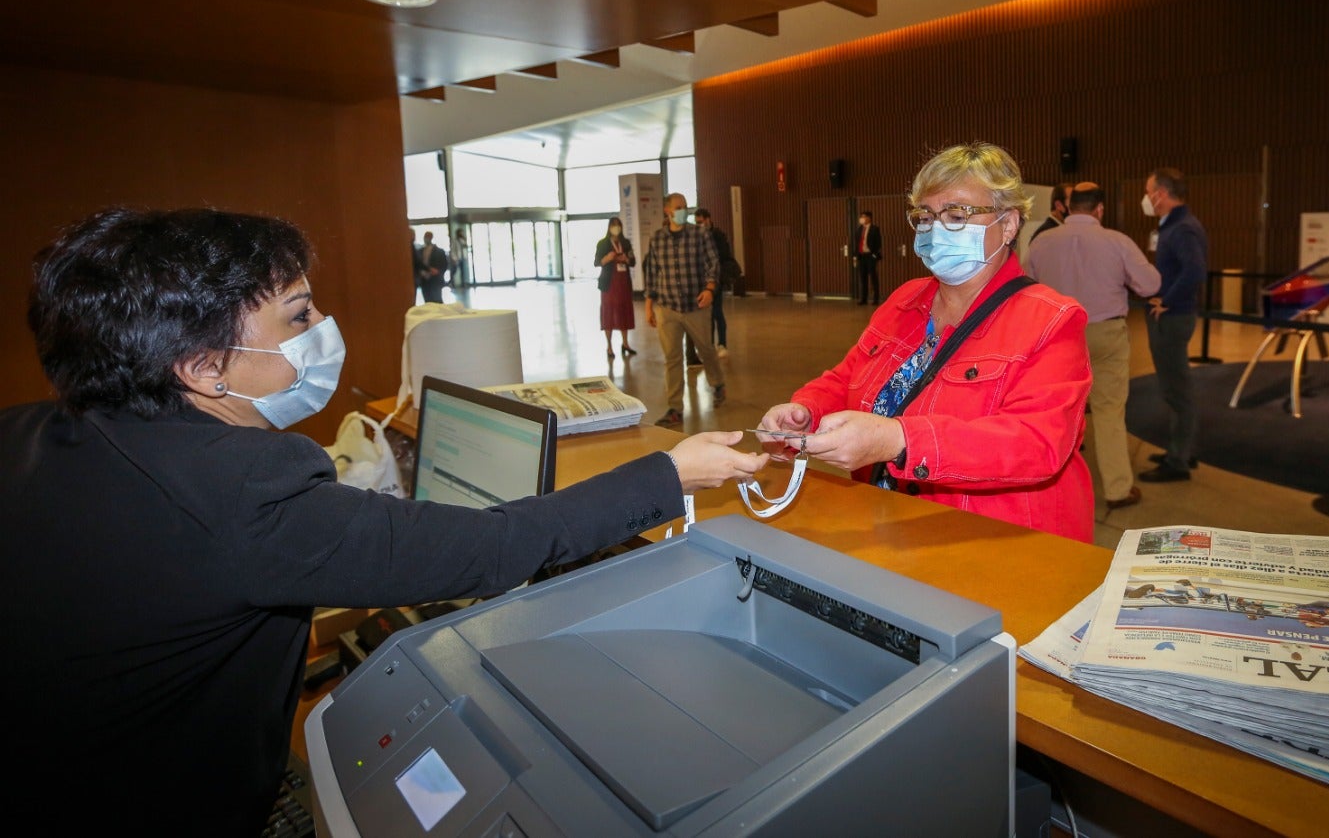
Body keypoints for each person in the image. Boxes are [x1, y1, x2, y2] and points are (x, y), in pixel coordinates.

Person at [0, 207, 768, 836]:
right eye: (299, 317)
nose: (324, 327)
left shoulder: (32, 432)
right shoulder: (239, 489)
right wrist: (671, 473)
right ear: (204, 367)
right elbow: (496, 548)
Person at [758, 142, 1095, 540]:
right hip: (890, 525)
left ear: (1008, 224)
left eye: (956, 215)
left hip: (993, 541)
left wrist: (898, 440)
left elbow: (1037, 442)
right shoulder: (905, 300)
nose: (936, 229)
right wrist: (805, 411)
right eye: (925, 216)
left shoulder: (1051, 319)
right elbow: (849, 374)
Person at [1024, 182, 1161, 509]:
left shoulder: (1042, 242)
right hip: (1105, 334)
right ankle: (1117, 489)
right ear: (1100, 209)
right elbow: (1151, 284)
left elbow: (1025, 287)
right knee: (1109, 410)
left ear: (1069, 208)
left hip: (1059, 335)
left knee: (1056, 410)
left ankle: (1047, 483)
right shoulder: (1117, 242)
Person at [1138, 167, 1209, 483]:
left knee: (1176, 389)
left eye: (1148, 190)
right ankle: (1180, 449)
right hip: (1173, 315)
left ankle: (1178, 461)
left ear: (1161, 194)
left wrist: (1167, 300)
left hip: (1172, 318)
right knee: (1175, 387)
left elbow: (1194, 271)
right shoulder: (1174, 225)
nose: (1146, 197)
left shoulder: (1182, 229)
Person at [642, 193, 727, 427]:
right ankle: (675, 408)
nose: (683, 211)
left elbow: (713, 263)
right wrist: (649, 305)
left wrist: (710, 289)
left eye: (685, 207)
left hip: (696, 306)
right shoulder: (657, 239)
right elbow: (651, 273)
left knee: (706, 349)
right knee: (672, 358)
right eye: (678, 207)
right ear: (667, 211)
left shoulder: (700, 234)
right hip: (667, 308)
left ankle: (718, 383)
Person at [694, 207, 738, 357]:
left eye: (701, 222)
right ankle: (710, 344)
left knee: (717, 312)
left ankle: (722, 344)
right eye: (697, 223)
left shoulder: (718, 235)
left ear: (708, 219)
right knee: (709, 315)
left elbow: (723, 256)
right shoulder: (698, 237)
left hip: (717, 279)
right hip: (704, 280)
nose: (699, 225)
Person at [595, 216, 637, 359]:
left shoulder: (625, 243)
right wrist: (608, 258)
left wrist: (626, 259)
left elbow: (633, 262)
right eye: (613, 225)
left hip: (623, 282)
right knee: (609, 313)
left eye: (618, 225)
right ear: (609, 227)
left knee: (624, 311)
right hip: (609, 283)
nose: (616, 228)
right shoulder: (603, 243)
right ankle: (609, 346)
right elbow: (597, 262)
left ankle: (625, 343)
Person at [854, 209, 883, 305]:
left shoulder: (875, 229)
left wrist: (874, 254)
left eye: (864, 216)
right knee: (863, 278)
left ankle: (875, 299)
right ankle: (864, 298)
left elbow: (878, 243)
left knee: (873, 277)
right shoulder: (859, 229)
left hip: (871, 256)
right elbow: (856, 243)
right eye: (861, 217)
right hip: (862, 256)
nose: (862, 219)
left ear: (869, 218)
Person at [416, 229, 451, 303]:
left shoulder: (440, 251)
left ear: (431, 238)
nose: (426, 239)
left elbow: (444, 265)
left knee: (437, 299)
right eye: (425, 237)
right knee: (427, 300)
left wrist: (438, 272)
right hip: (424, 280)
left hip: (435, 279)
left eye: (428, 237)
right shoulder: (420, 251)